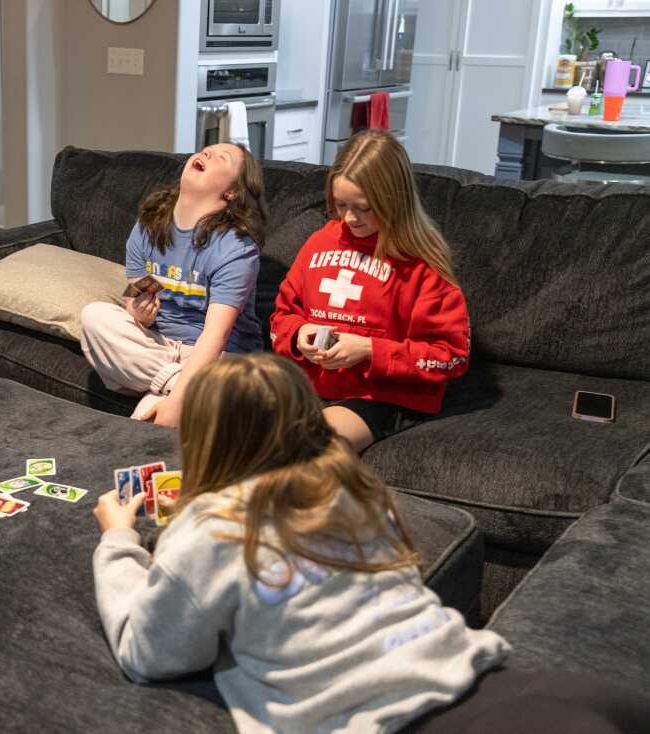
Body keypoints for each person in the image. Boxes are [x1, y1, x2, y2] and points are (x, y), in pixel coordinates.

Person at [91, 353, 649, 733]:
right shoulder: (354, 487)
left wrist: (119, 542)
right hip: (485, 677)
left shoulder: (209, 528)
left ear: (205, 440)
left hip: (400, 720)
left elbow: (150, 655)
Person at [270, 130, 469, 452]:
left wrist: (370, 350)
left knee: (309, 446)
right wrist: (299, 334)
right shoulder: (320, 241)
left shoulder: (421, 263)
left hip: (380, 396)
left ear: (394, 200)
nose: (350, 218)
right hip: (311, 384)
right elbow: (282, 316)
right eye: (341, 204)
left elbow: (451, 357)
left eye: (363, 207)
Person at [79, 143, 266, 428]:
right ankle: (185, 389)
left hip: (219, 354)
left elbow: (216, 334)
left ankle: (173, 392)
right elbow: (135, 292)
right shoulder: (148, 225)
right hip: (158, 343)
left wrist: (175, 401)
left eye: (221, 157)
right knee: (94, 316)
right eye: (207, 149)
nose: (207, 153)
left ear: (232, 192)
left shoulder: (236, 248)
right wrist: (138, 312)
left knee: (155, 418)